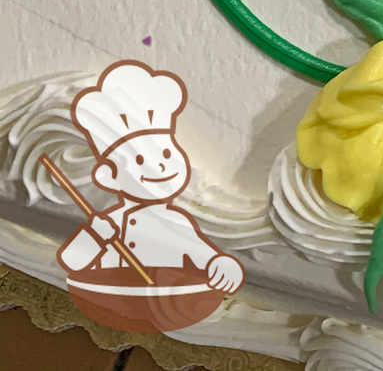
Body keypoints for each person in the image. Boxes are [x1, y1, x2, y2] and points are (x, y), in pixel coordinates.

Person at [56, 61, 243, 293]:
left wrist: (223, 266)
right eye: (139, 160)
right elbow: (73, 260)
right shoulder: (112, 222)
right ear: (108, 177)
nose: (161, 167)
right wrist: (95, 235)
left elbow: (208, 257)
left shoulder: (177, 221)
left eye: (166, 154)